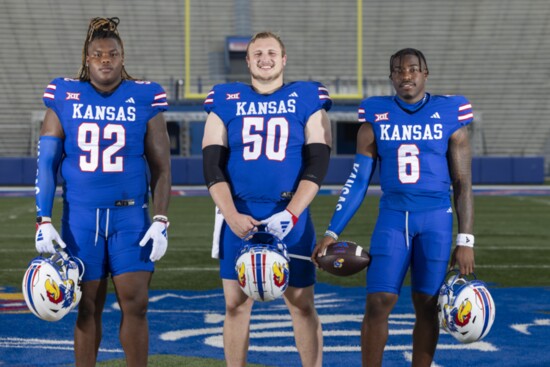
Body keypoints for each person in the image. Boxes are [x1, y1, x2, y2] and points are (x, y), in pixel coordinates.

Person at [312, 48, 475, 366]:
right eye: (398, 70)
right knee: (378, 301)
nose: (406, 75)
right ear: (391, 77)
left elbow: (463, 184)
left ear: (425, 73)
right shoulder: (376, 116)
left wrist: (465, 240)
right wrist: (332, 231)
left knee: (427, 304)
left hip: (436, 219)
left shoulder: (450, 112)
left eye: (413, 69)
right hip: (393, 217)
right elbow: (358, 182)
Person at [34, 17, 171, 367]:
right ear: (87, 58)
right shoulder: (64, 95)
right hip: (82, 218)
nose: (105, 59)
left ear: (122, 57)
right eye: (98, 54)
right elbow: (47, 162)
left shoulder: (144, 96)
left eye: (112, 53)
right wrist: (43, 218)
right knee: (87, 305)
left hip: (130, 218)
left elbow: (162, 167)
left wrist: (161, 218)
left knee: (136, 303)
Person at [202, 31, 332, 367]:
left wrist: (290, 214)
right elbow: (211, 165)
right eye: (257, 53)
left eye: (272, 52)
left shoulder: (306, 96)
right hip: (239, 215)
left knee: (301, 303)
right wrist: (230, 214)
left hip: (291, 215)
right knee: (235, 304)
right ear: (247, 61)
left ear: (284, 58)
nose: (265, 58)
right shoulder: (225, 98)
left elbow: (318, 163)